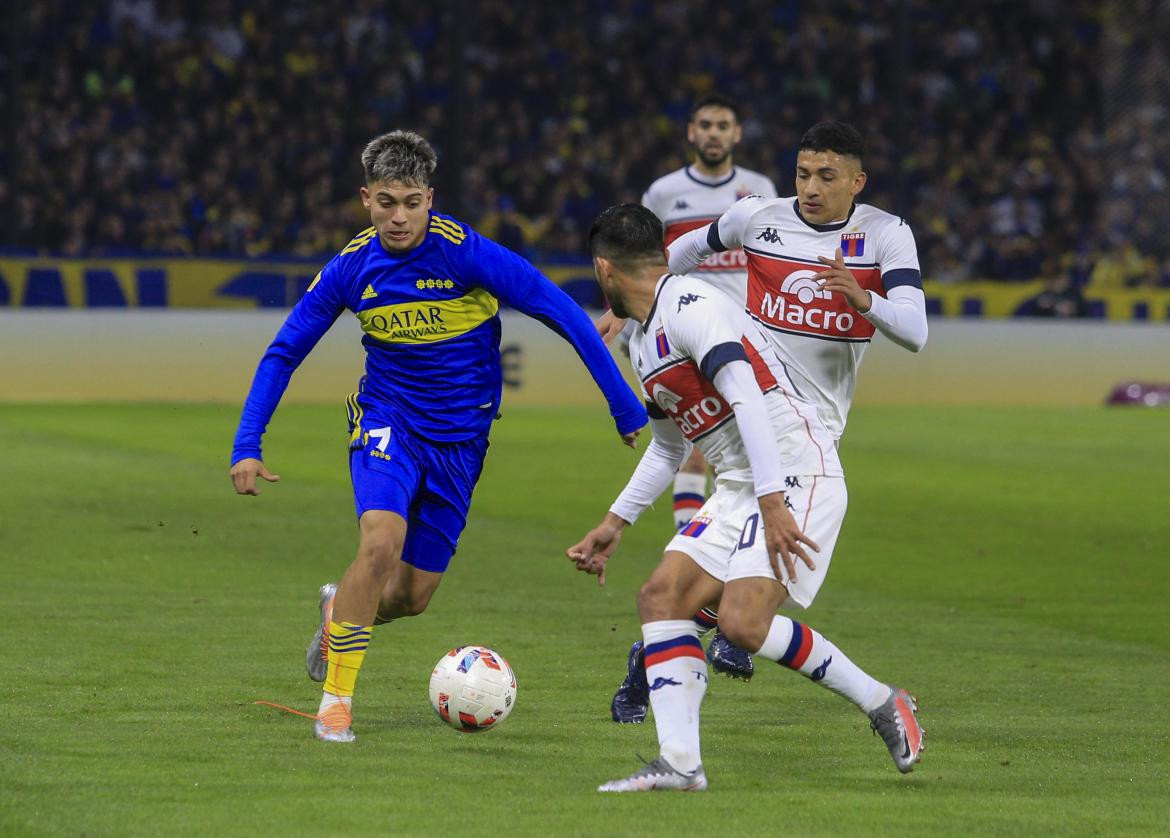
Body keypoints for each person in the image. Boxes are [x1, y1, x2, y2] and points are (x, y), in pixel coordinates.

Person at [230, 131, 647, 743]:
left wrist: (622, 405)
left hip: (461, 443)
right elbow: (285, 350)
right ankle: (335, 704)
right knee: (380, 542)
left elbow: (561, 311)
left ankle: (335, 610)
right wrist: (247, 442)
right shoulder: (351, 268)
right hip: (387, 421)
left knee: (410, 597)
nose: (399, 217)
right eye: (386, 203)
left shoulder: (467, 255)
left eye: (412, 203)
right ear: (365, 198)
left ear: (431, 198)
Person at [568, 204, 924, 792]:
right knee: (661, 597)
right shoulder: (644, 339)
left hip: (794, 471)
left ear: (603, 269)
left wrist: (773, 502)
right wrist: (615, 522)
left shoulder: (692, 306)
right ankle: (680, 764)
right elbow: (667, 447)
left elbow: (748, 398)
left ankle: (884, 701)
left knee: (742, 624)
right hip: (744, 483)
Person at [605, 120, 928, 726]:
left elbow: (915, 331)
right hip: (752, 414)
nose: (810, 187)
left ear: (857, 181)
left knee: (726, 607)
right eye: (803, 173)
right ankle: (683, 693)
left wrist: (864, 300)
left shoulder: (886, 236)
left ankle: (664, 657)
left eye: (827, 177)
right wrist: (632, 303)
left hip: (812, 433)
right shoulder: (759, 216)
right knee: (705, 598)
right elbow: (684, 251)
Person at [607, 95, 780, 719]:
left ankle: (686, 617)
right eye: (703, 124)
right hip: (684, 341)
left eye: (723, 124)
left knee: (733, 482)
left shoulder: (759, 189)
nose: (713, 133)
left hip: (746, 341)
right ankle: (719, 620)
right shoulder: (664, 192)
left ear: (737, 132)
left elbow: (767, 260)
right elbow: (642, 258)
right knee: (731, 474)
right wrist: (620, 308)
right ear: (691, 133)